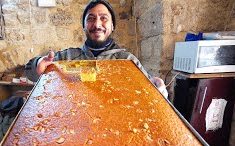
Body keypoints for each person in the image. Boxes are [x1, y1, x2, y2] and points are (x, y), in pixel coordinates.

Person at [25, 0, 168, 98]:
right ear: (84, 26)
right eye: (91, 19)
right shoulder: (66, 58)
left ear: (112, 27)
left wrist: (158, 87)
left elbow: (150, 90)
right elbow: (30, 72)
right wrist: (38, 65)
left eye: (104, 18)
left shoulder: (127, 60)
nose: (97, 24)